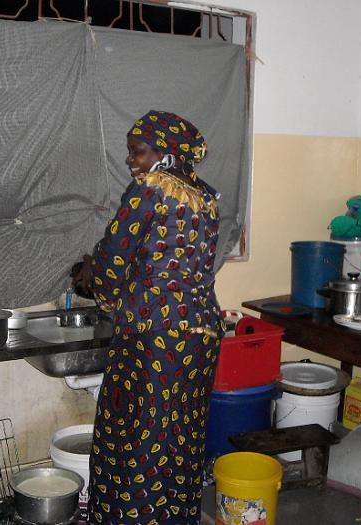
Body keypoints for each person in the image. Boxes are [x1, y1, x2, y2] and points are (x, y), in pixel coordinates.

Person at [73, 110, 223, 524]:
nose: (131, 161)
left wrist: (96, 283)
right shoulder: (205, 196)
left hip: (153, 334)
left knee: (137, 437)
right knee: (180, 438)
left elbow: (116, 252)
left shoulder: (152, 187)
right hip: (200, 334)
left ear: (165, 153)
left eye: (137, 152)